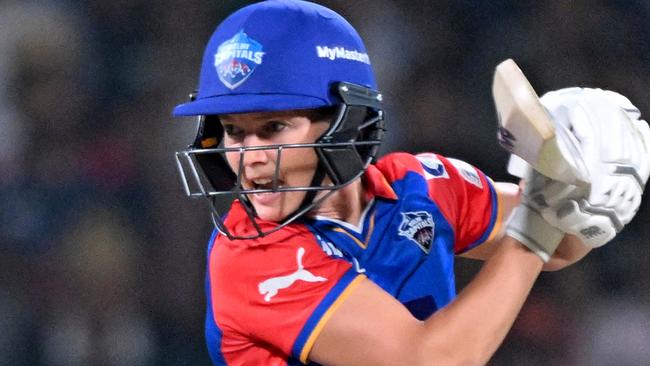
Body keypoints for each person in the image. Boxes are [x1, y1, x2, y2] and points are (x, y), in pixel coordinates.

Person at [172, 1, 650, 364]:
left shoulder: (421, 183)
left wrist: (586, 181)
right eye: (234, 131)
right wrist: (539, 222)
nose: (248, 159)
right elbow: (430, 359)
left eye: (273, 128)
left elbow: (562, 243)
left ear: (347, 119)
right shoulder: (249, 255)